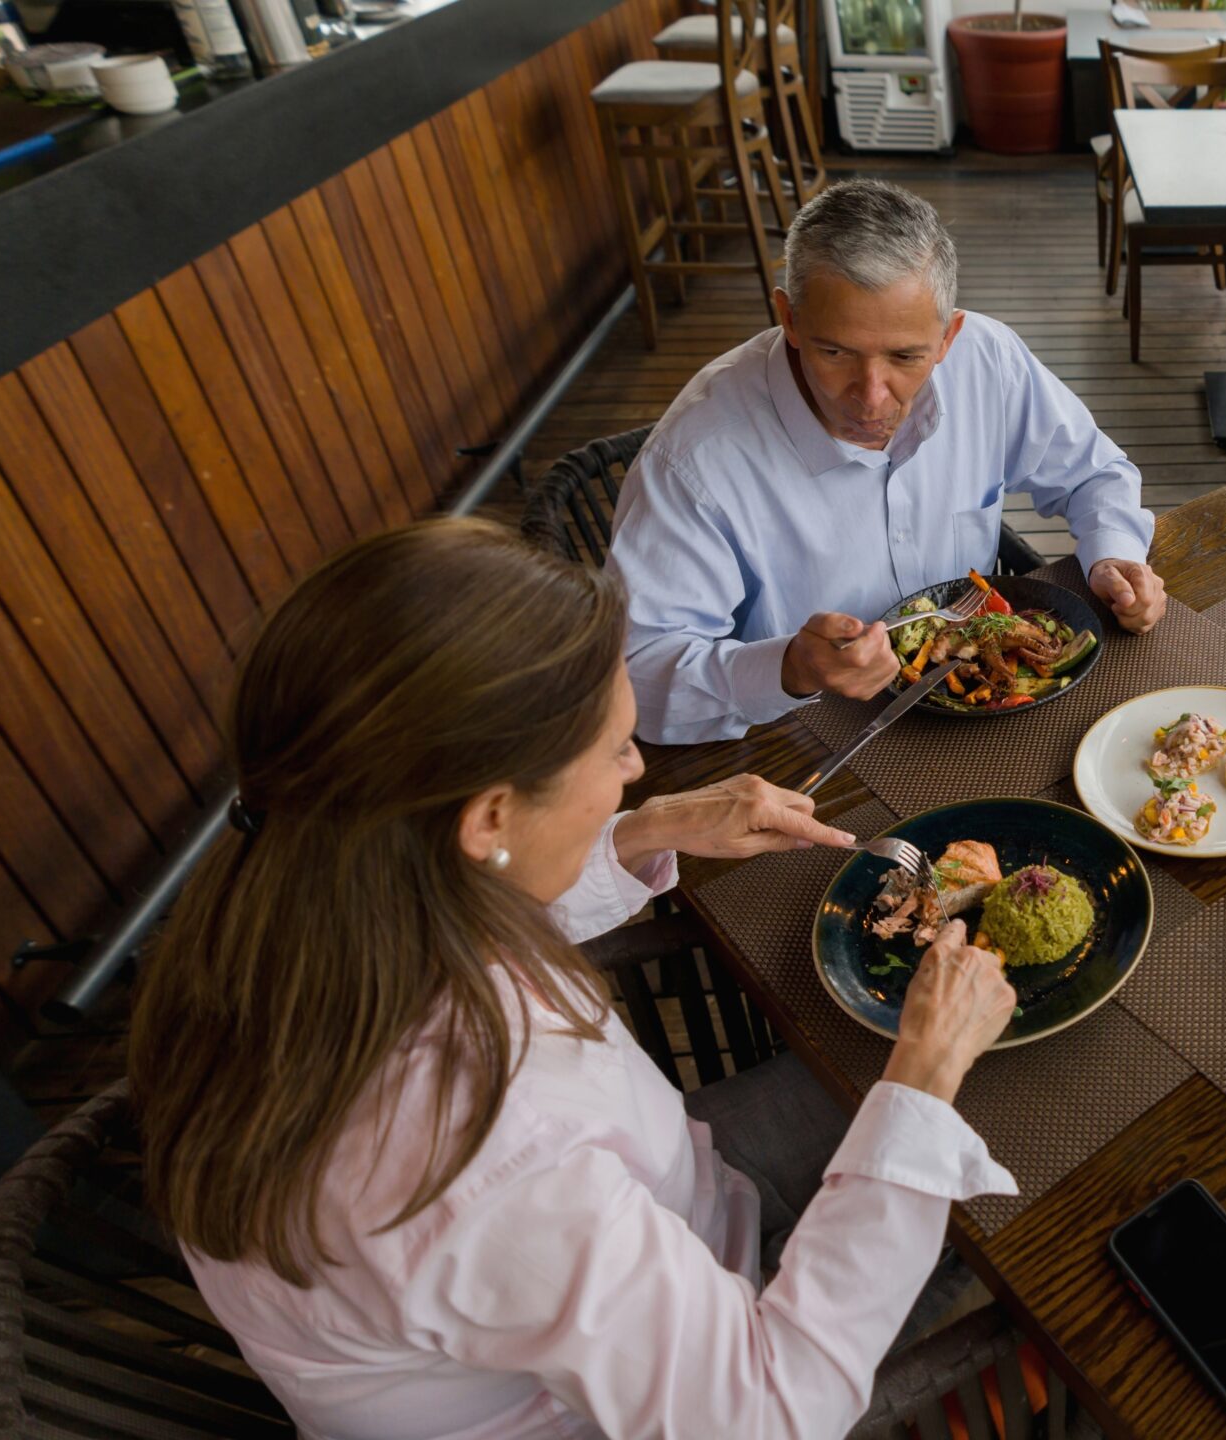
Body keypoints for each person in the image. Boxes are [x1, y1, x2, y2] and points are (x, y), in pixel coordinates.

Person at [130, 518, 1022, 1438]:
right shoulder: (477, 1158)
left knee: (979, 1100)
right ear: (489, 819)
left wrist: (641, 830)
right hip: (670, 1393)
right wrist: (920, 1075)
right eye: (615, 750)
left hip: (662, 1221)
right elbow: (766, 1417)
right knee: (1008, 1170)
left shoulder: (305, 888)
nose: (635, 770)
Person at [607, 179, 1165, 744]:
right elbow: (638, 679)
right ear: (789, 319)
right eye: (835, 352)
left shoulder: (986, 360)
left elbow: (1095, 472)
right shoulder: (693, 460)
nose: (871, 397)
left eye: (905, 356)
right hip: (798, 736)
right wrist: (789, 669)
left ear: (948, 338)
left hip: (983, 705)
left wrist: (1114, 556)